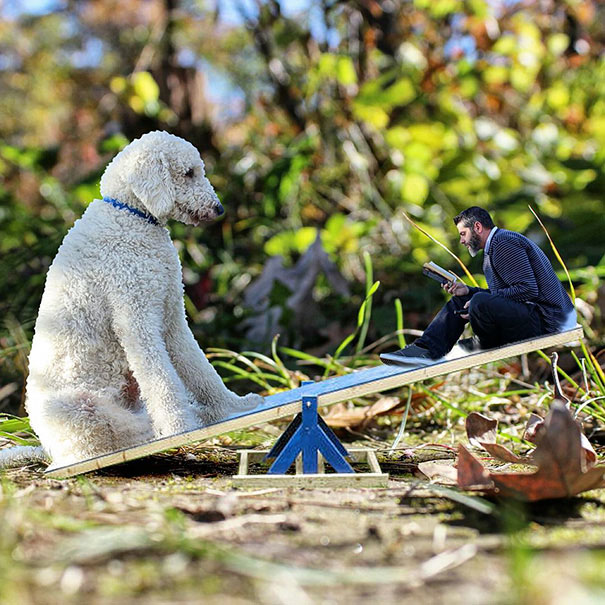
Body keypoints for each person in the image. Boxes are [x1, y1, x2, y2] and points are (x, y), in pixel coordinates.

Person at [380, 206, 577, 366]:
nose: (462, 240)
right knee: (463, 299)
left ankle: (486, 342)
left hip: (548, 321)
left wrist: (478, 300)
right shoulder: (494, 248)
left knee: (479, 301)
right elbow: (508, 295)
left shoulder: (504, 243)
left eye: (463, 233)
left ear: (477, 227)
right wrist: (468, 292)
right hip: (533, 314)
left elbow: (527, 289)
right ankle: (425, 349)